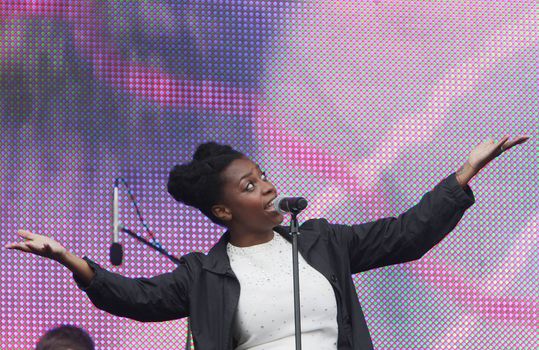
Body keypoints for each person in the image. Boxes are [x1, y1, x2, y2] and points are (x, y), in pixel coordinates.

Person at [6, 136, 529, 349]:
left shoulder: (322, 241)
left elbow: (407, 235)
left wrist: (463, 175)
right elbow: (137, 299)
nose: (269, 186)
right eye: (250, 185)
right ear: (223, 210)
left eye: (263, 176)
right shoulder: (204, 274)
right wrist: (72, 260)